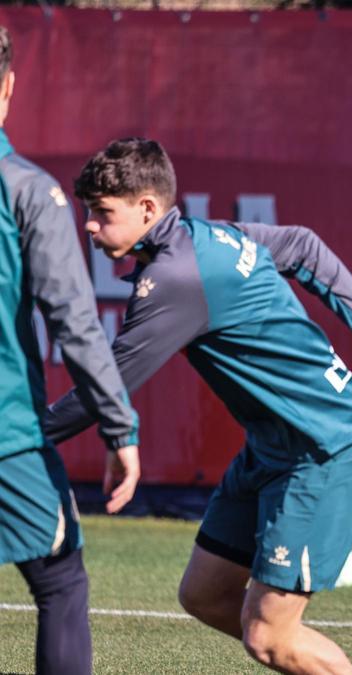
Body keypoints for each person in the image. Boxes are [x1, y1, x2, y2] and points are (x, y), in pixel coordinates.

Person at [43, 137, 352, 674]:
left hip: (325, 448)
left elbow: (105, 388)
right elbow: (301, 245)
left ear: (147, 208)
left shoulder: (175, 278)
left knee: (270, 638)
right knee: (206, 594)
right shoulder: (207, 239)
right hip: (274, 448)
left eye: (101, 213)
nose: (90, 227)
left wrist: (22, 437)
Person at [0, 27, 142, 675]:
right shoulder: (25, 189)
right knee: (60, 579)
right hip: (6, 433)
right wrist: (118, 428)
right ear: (7, 90)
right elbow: (75, 319)